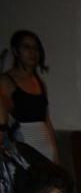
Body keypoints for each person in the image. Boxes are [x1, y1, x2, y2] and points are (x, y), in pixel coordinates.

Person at [0, 30, 58, 163]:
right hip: (23, 148)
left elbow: (46, 120)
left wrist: (55, 152)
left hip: (45, 147)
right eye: (26, 47)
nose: (32, 52)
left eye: (35, 48)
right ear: (15, 51)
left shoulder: (39, 82)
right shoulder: (6, 81)